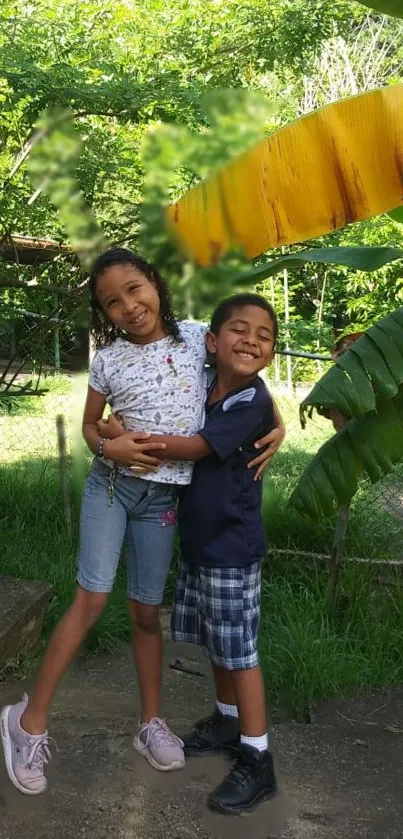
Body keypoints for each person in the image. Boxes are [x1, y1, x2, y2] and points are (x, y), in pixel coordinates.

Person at [1, 249, 285, 796]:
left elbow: (246, 369)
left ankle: (150, 724)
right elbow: (89, 427)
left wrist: (280, 424)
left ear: (155, 283)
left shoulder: (199, 335)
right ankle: (26, 722)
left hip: (164, 501)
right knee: (91, 600)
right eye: (112, 302)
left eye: (135, 289)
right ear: (103, 313)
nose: (129, 306)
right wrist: (111, 442)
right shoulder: (107, 360)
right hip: (112, 487)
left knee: (146, 612)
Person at [105, 292, 281, 815]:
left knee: (239, 653)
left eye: (264, 336)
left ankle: (257, 756)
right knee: (216, 643)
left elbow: (200, 447)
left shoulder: (249, 402)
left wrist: (132, 439)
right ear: (211, 341)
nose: (250, 340)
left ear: (270, 353)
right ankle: (228, 719)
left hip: (231, 546)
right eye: (238, 330)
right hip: (202, 544)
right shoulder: (204, 384)